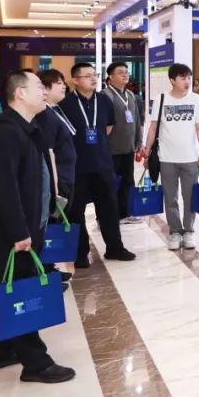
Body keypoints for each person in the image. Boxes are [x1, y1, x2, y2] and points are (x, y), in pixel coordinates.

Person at [0, 69, 75, 383]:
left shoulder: (26, 127)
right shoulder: (6, 132)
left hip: (25, 223)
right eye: (38, 87)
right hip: (15, 228)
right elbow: (4, 187)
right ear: (19, 93)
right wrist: (19, 231)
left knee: (3, 282)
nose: (43, 92)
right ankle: (36, 363)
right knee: (22, 289)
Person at [59, 63, 135, 267]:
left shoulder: (104, 100)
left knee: (109, 207)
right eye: (88, 76)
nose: (94, 79)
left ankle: (115, 248)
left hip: (102, 163)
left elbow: (108, 128)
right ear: (75, 80)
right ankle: (80, 253)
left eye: (95, 75)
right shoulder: (65, 104)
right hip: (77, 167)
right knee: (76, 212)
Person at [141, 63, 199, 251]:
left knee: (190, 197)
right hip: (166, 158)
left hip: (190, 158)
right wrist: (147, 151)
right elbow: (153, 127)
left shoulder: (196, 99)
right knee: (170, 197)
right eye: (183, 78)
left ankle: (189, 231)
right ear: (172, 80)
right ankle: (175, 232)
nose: (187, 81)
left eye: (189, 77)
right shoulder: (161, 99)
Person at [35, 69, 78, 287]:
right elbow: (49, 151)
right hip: (58, 179)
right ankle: (45, 272)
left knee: (54, 223)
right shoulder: (45, 114)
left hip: (65, 175)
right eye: (59, 83)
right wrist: (54, 186)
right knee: (50, 224)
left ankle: (50, 268)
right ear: (45, 88)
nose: (64, 86)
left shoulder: (54, 110)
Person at [105, 62, 145, 224]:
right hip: (111, 149)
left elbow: (137, 120)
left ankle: (125, 213)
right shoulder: (106, 95)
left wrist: (139, 141)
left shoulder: (131, 95)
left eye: (126, 72)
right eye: (120, 72)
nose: (125, 75)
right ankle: (107, 216)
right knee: (110, 184)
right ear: (110, 77)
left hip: (128, 148)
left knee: (127, 182)